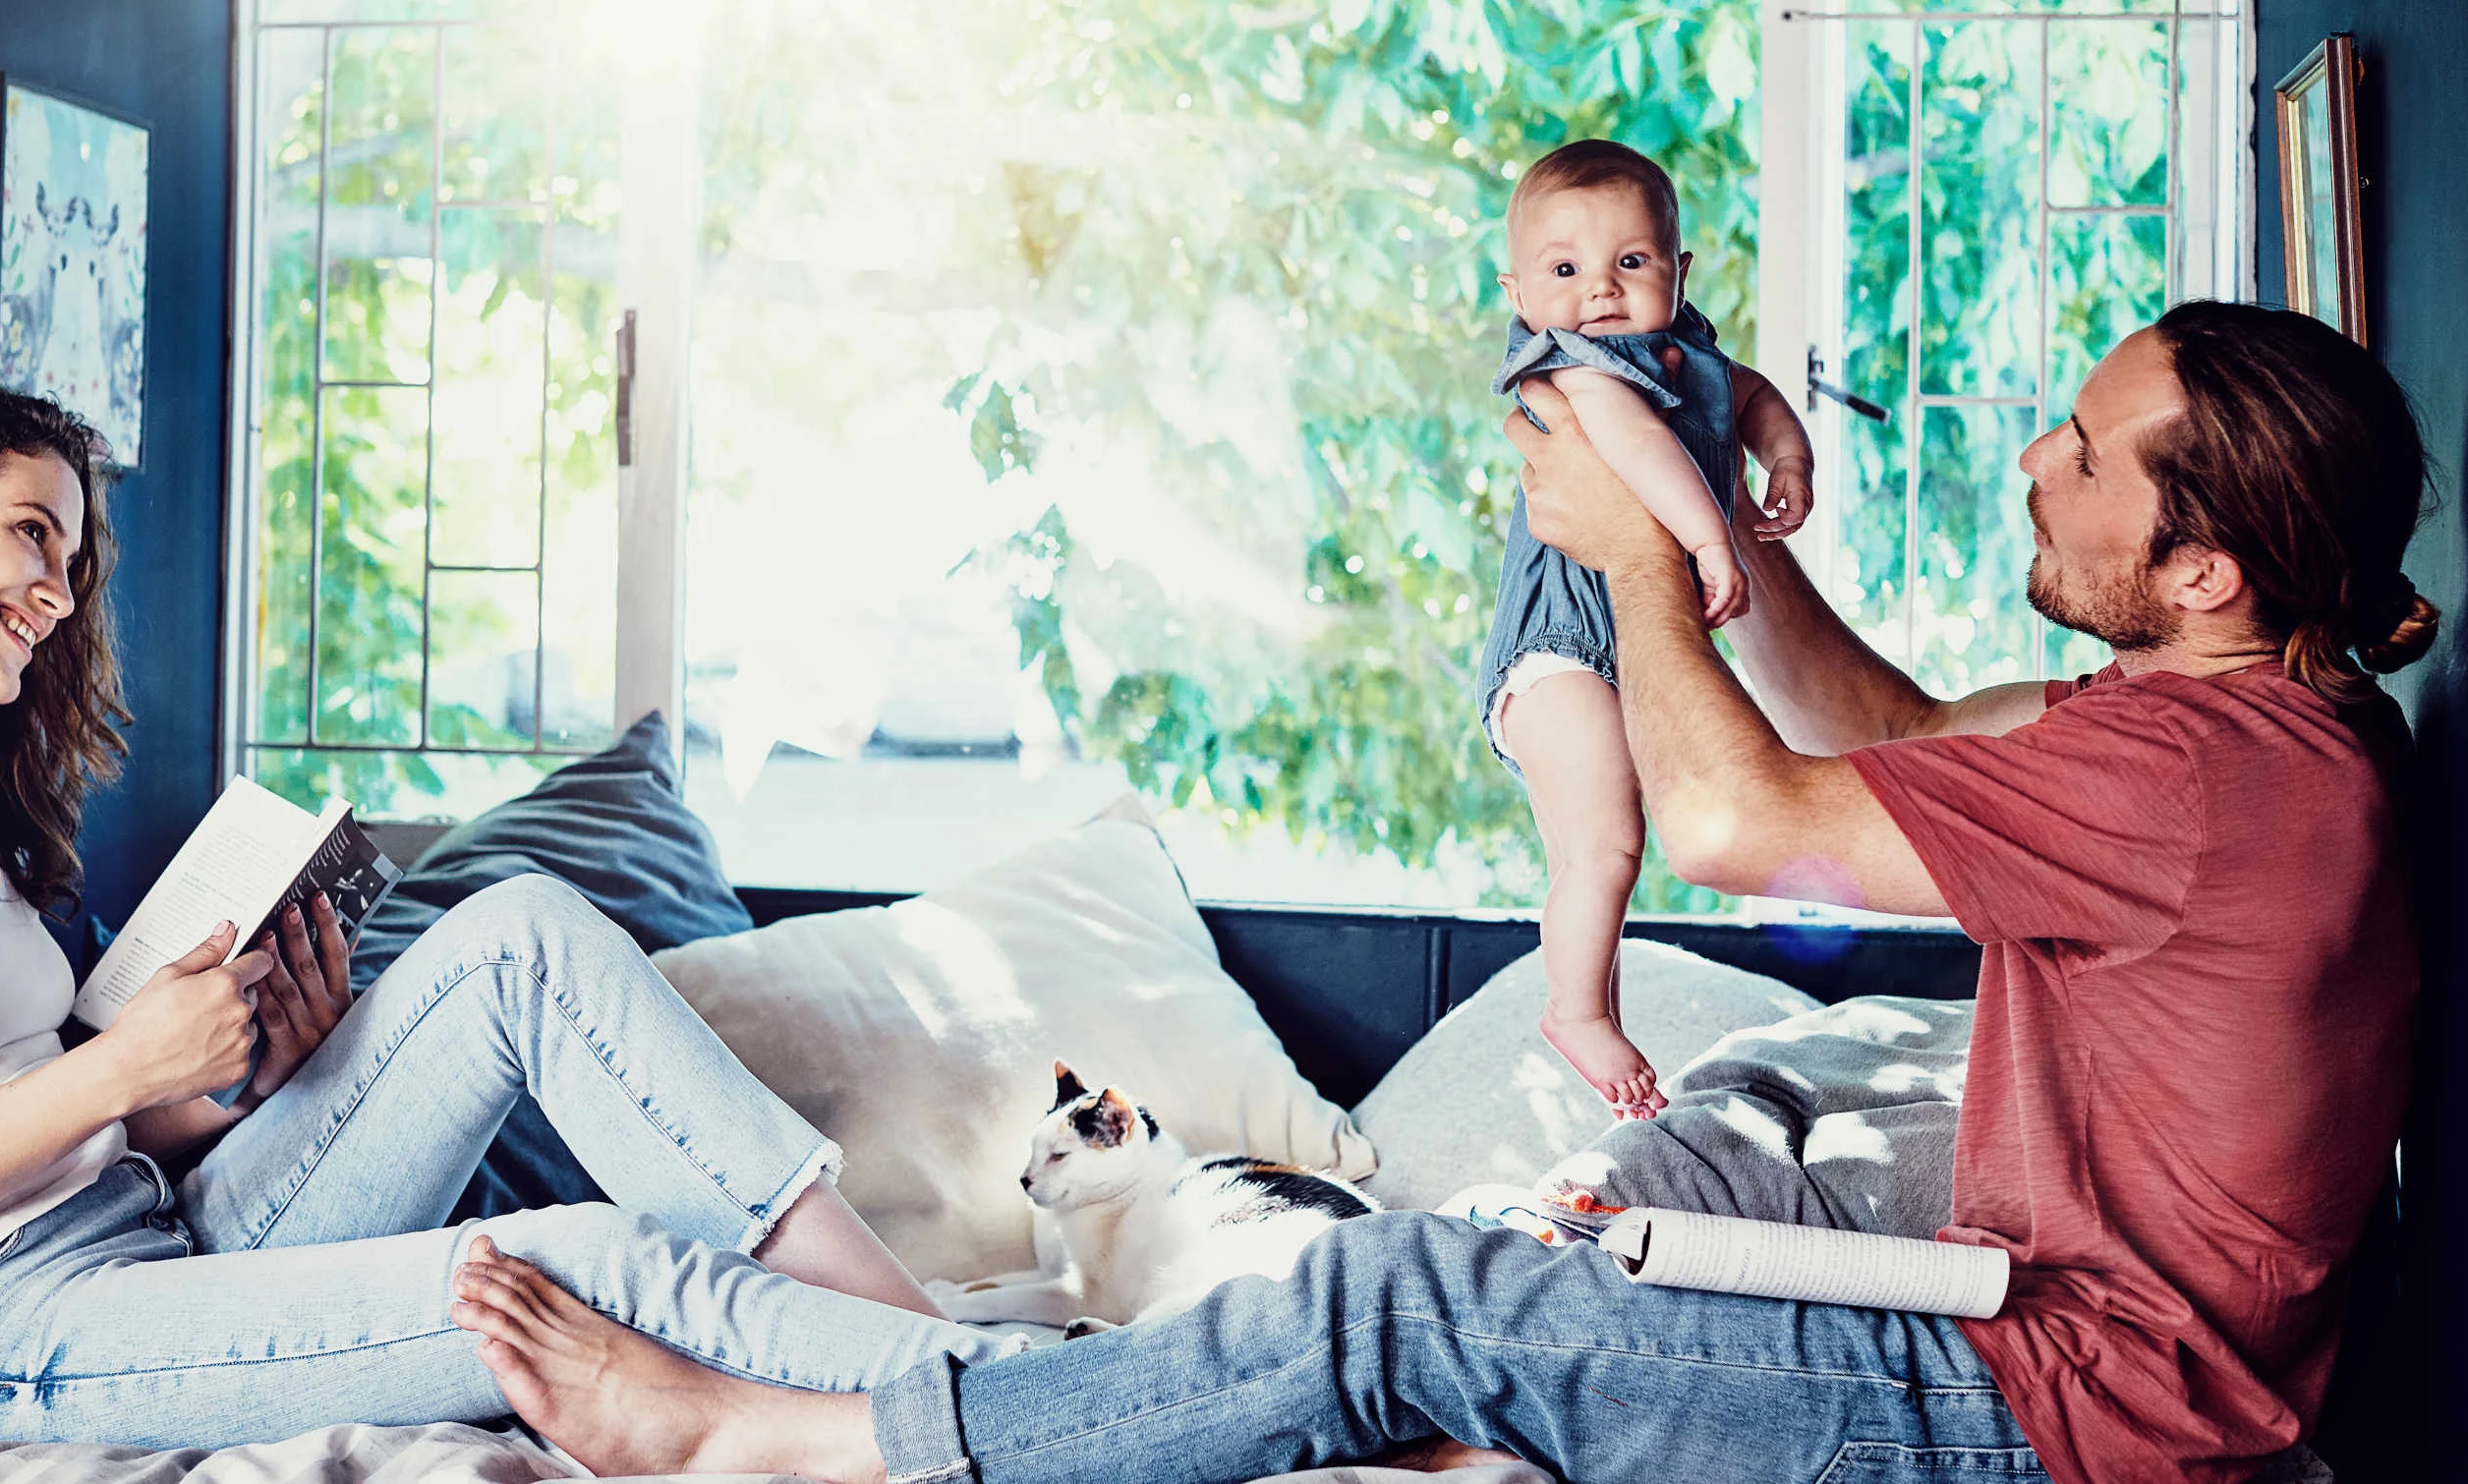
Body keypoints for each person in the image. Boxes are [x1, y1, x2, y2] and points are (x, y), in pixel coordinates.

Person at [441, 299, 2431, 1484]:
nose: (2028, 454)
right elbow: (1889, 721)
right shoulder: (2268, 731)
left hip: (2065, 1422)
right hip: (2081, 1361)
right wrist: (1703, 508)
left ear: (2198, 568)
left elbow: (1740, 824)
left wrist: (1620, 557)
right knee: (1603, 1243)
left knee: (1405, 1286)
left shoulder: (2197, 780)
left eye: (2081, 454)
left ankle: (798, 1444)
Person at [0, 377, 1015, 1450]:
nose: (59, 592)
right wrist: (116, 1066)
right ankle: (1006, 1399)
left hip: (131, 1229)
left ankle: (916, 1333)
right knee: (563, 1269)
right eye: (31, 532)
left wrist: (226, 1074)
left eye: (71, 553)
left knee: (521, 935)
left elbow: (46, 1119)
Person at [1475, 141, 1816, 1118]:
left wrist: (1784, 458)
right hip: (1559, 650)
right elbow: (1629, 439)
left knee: (1609, 854)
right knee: (1604, 844)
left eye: (1631, 262)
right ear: (1517, 289)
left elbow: (1747, 395)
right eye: (1564, 269)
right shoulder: (1572, 367)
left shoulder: (1687, 352)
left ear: (1678, 269)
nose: (1599, 291)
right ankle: (1573, 1012)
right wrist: (1714, 540)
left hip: (1629, 648)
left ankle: (1599, 1024)